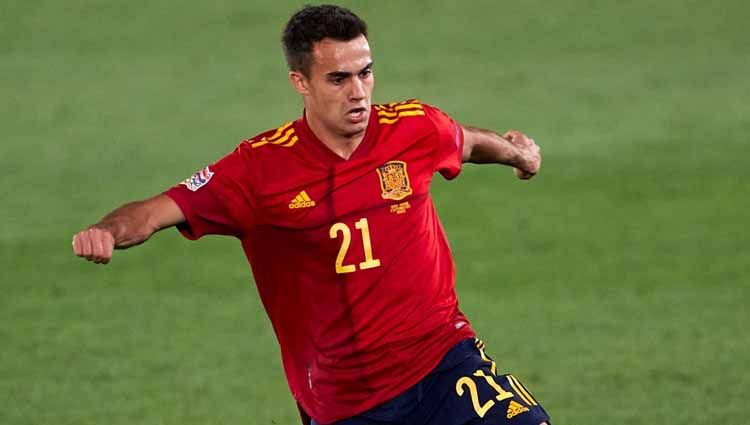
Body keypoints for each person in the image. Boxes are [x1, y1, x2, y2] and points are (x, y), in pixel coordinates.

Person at [72, 5, 549, 425]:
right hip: (348, 401)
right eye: (338, 79)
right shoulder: (259, 169)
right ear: (300, 82)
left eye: (365, 72)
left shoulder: (412, 126)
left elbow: (464, 141)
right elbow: (157, 211)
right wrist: (107, 231)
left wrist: (517, 154)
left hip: (444, 358)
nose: (358, 92)